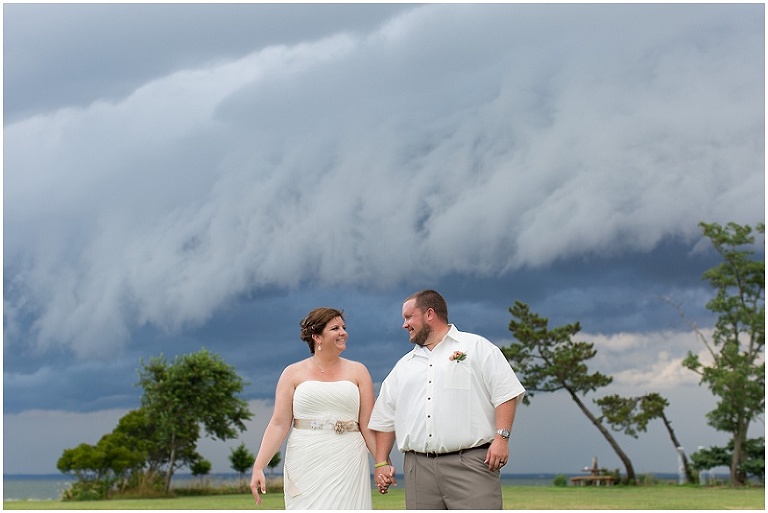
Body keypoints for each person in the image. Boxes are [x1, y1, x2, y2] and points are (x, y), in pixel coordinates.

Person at [369, 290, 525, 509]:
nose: (404, 325)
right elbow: (386, 417)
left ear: (429, 314)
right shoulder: (404, 366)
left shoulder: (477, 348)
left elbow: (506, 393)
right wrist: (381, 462)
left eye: (409, 317)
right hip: (418, 470)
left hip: (471, 465)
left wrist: (502, 439)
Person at [249, 307, 376, 509]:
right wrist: (259, 467)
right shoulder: (292, 373)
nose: (343, 332)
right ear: (317, 337)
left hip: (348, 457)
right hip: (305, 457)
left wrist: (381, 462)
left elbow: (368, 424)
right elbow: (279, 424)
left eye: (344, 327)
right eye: (335, 328)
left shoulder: (359, 371)